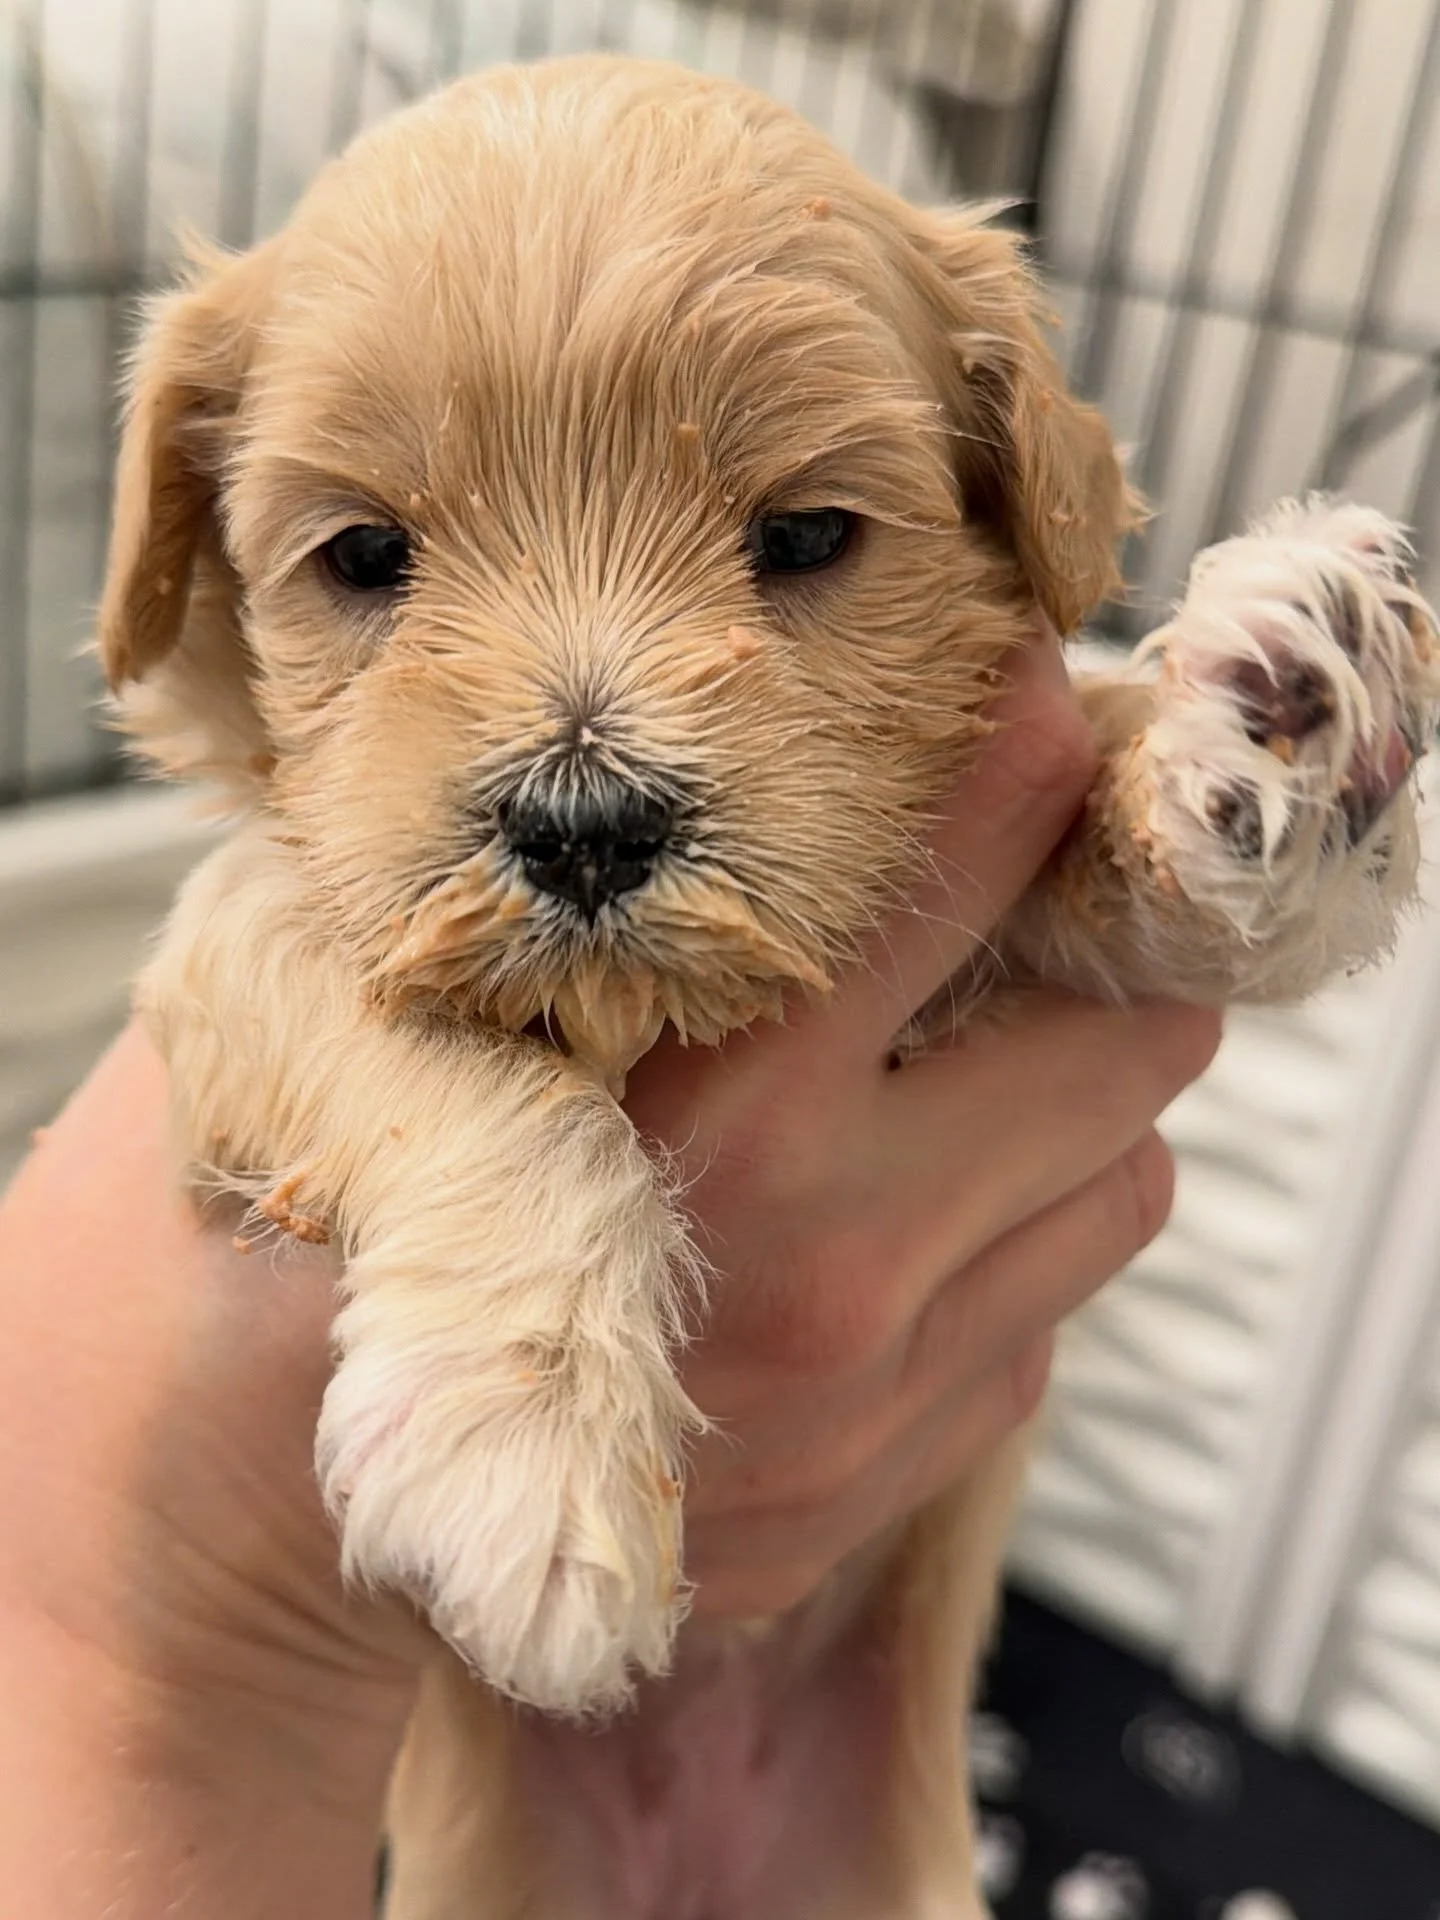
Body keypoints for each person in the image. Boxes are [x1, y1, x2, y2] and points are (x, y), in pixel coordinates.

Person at [0, 635, 1219, 1917]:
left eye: (792, 543)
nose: (579, 758)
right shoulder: (274, 921)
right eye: (374, 558)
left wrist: (1160, 814)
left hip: (859, 1735)